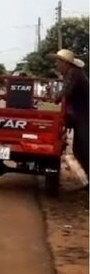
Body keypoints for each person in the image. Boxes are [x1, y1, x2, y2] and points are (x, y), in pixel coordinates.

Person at [47, 49, 89, 188]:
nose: (57, 65)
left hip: (84, 115)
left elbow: (64, 93)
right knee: (78, 149)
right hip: (79, 114)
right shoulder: (73, 73)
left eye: (58, 62)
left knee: (84, 149)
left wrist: (54, 98)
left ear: (66, 63)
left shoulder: (73, 74)